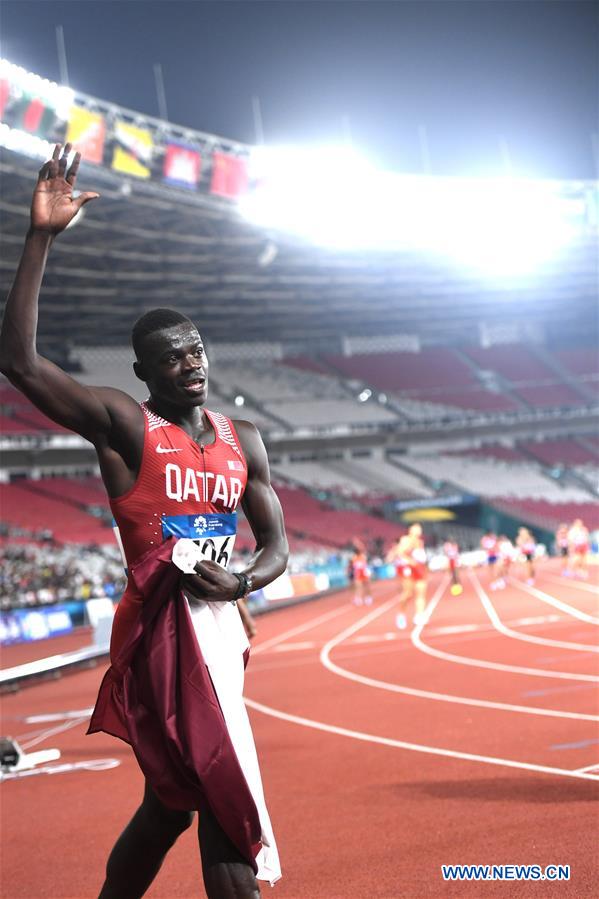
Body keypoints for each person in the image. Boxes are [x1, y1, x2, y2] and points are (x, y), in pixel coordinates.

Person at [0, 144, 289, 898]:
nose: (188, 361)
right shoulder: (128, 427)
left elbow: (278, 546)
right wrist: (40, 239)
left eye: (194, 348)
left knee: (170, 804)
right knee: (221, 779)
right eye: (169, 357)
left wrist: (243, 581)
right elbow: (20, 364)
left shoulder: (242, 439)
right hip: (160, 635)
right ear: (145, 374)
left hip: (220, 629)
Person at [386, 523, 428, 628]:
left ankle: (419, 615)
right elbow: (400, 552)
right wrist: (410, 561)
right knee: (408, 594)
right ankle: (401, 614)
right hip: (409, 570)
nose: (419, 531)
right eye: (416, 529)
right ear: (410, 530)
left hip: (420, 569)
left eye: (420, 529)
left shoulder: (420, 542)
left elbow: (421, 557)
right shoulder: (405, 540)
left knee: (421, 592)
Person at [349, 539, 373, 606]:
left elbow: (362, 548)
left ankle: (368, 598)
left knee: (367, 587)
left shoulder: (363, 556)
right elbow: (352, 566)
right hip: (358, 574)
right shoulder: (354, 558)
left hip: (365, 573)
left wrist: (358, 543)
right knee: (358, 587)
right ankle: (358, 599)